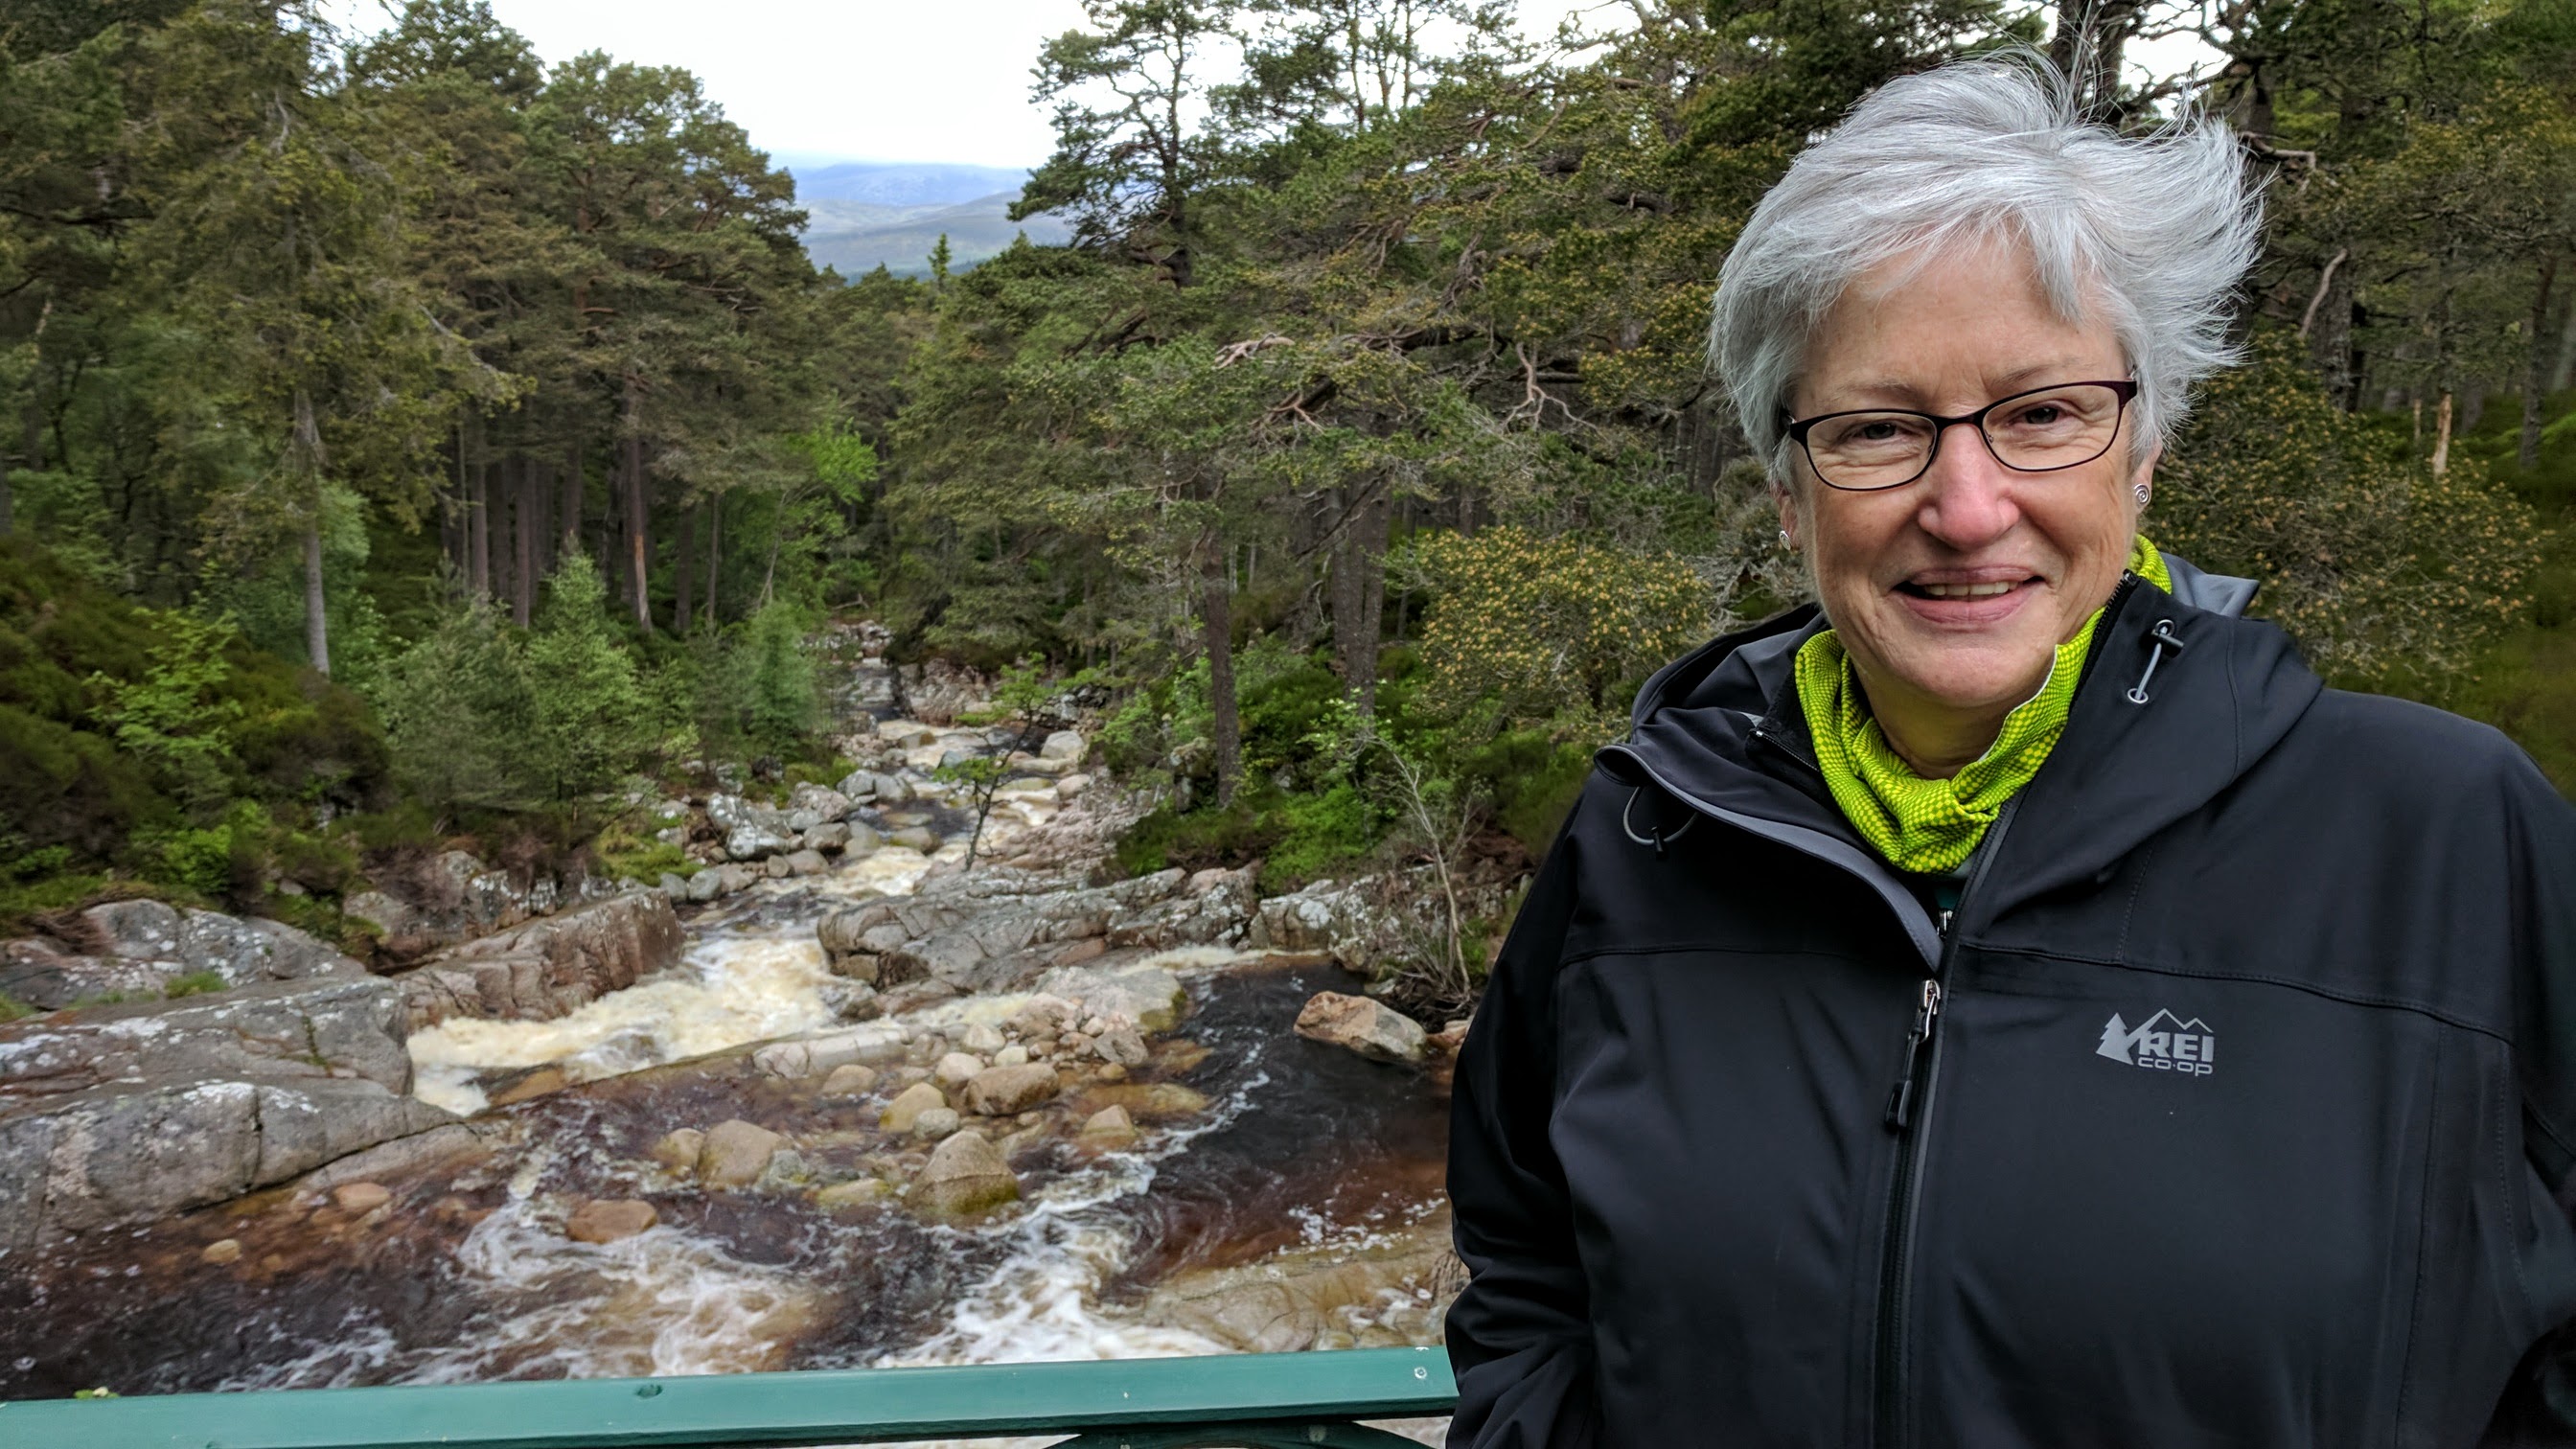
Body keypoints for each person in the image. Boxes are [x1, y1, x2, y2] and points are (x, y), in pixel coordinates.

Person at [1442, 55, 2576, 1449]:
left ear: (2141, 452)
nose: (1968, 508)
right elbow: (1529, 1266)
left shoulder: (2443, 833)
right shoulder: (1649, 834)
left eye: (2042, 414)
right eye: (1878, 429)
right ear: (1790, 494)